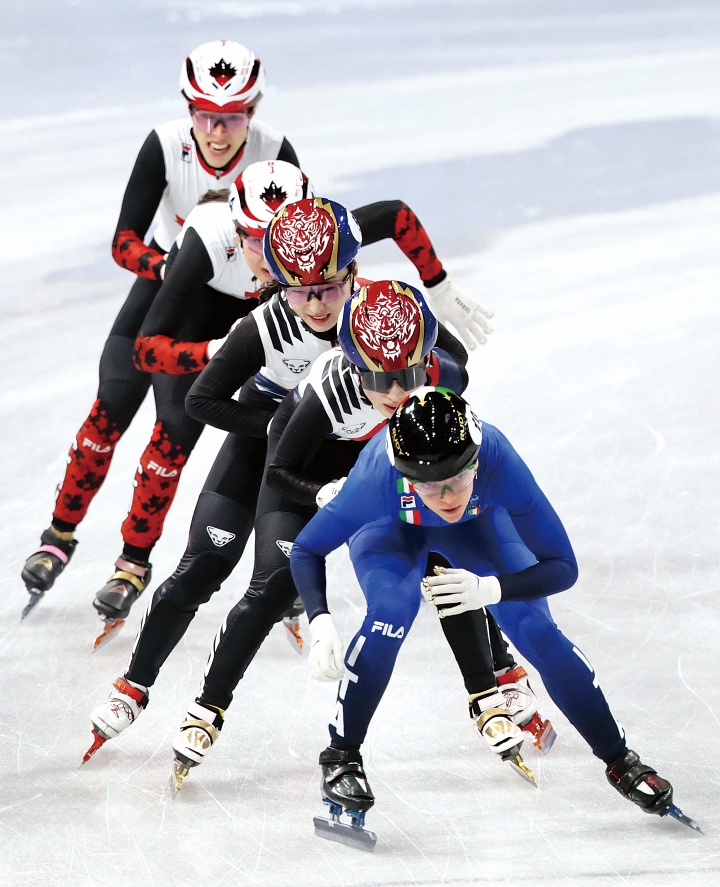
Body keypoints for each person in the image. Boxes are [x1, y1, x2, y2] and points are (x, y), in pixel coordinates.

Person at [83, 197, 491, 763]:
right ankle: (136, 685)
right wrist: (284, 421)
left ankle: (496, 681)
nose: (316, 302)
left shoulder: (387, 314)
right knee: (210, 564)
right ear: (278, 282)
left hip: (357, 453)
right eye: (298, 288)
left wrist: (417, 398)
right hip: (270, 450)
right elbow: (202, 399)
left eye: (328, 285)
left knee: (442, 548)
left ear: (352, 272)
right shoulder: (265, 325)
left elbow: (456, 364)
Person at [289, 388, 700, 841]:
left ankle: (622, 761)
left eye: (457, 479)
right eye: (427, 484)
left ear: (477, 462)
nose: (445, 497)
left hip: (478, 530)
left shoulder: (500, 461)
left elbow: (564, 568)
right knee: (390, 614)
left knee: (535, 628)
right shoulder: (376, 479)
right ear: (405, 474)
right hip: (393, 529)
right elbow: (306, 549)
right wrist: (320, 617)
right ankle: (341, 756)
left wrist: (492, 589)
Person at [21, 40, 299, 613]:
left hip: (234, 303)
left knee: (172, 435)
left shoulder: (277, 155)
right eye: (204, 116)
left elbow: (304, 245)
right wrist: (167, 266)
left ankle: (132, 562)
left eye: (232, 118)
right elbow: (124, 240)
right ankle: (58, 535)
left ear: (253, 111)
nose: (218, 134)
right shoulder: (165, 144)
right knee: (108, 412)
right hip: (173, 285)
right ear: (186, 109)